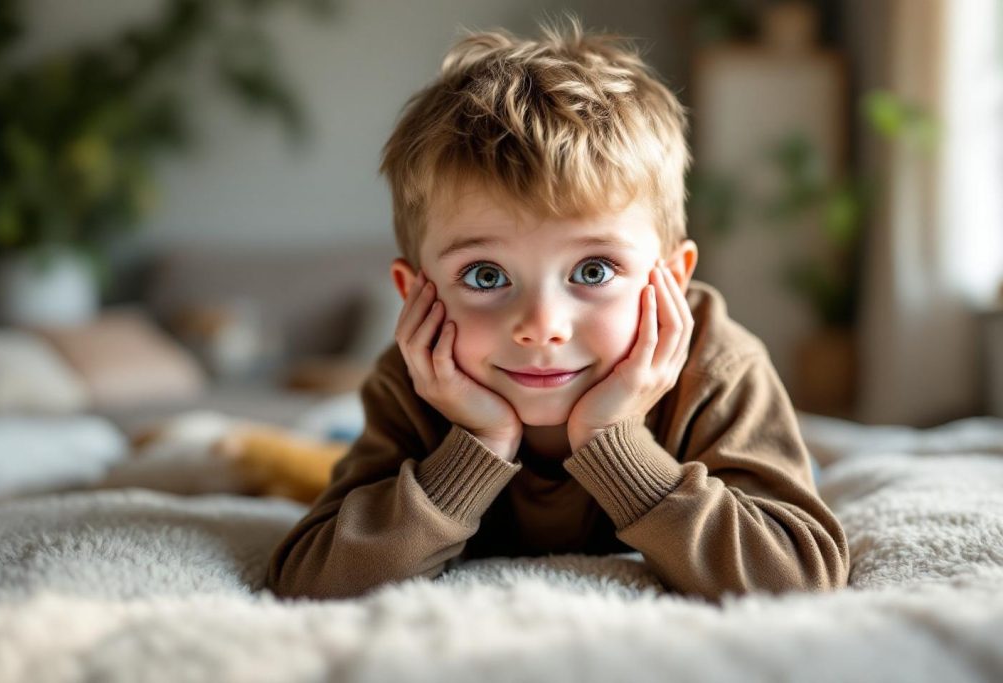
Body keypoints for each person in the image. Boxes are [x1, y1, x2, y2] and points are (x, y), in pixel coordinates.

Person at [265, 17, 850, 602]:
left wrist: (611, 441)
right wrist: (478, 444)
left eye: (593, 271)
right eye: (486, 275)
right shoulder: (415, 380)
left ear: (670, 277)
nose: (542, 326)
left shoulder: (718, 370)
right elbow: (309, 581)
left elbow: (797, 577)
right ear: (417, 291)